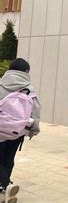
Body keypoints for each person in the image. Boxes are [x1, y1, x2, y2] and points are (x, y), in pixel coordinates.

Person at [0, 59, 41, 203]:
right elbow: (35, 110)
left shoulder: (1, 84)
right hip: (17, 131)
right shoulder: (29, 88)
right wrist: (33, 130)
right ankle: (4, 187)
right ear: (26, 72)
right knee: (8, 158)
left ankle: (3, 186)